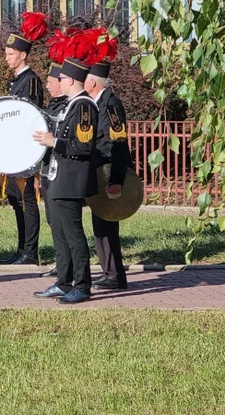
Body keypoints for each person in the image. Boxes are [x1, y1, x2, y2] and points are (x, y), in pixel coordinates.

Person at [32, 57, 101, 304]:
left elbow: (84, 146)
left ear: (70, 79)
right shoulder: (71, 105)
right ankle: (64, 282)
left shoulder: (84, 106)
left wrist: (54, 142)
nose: (58, 82)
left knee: (74, 236)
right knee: (60, 235)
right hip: (59, 178)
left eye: (60, 78)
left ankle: (82, 285)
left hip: (71, 181)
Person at [2, 14, 47, 265]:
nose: (7, 57)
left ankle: (31, 252)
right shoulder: (17, 81)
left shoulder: (30, 81)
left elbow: (30, 115)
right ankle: (22, 249)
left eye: (10, 53)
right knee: (15, 199)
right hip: (14, 151)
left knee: (27, 200)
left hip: (25, 152)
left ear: (23, 55)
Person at [87, 53, 130, 290]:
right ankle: (109, 272)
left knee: (107, 225)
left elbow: (118, 143)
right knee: (100, 224)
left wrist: (116, 179)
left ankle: (115, 275)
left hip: (108, 173)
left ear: (93, 82)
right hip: (99, 172)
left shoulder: (111, 105)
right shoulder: (97, 103)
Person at [38, 60, 68, 279]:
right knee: (52, 220)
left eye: (50, 82)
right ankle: (62, 262)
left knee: (61, 222)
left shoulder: (68, 106)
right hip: (47, 170)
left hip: (60, 172)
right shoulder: (53, 105)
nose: (47, 86)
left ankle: (67, 265)